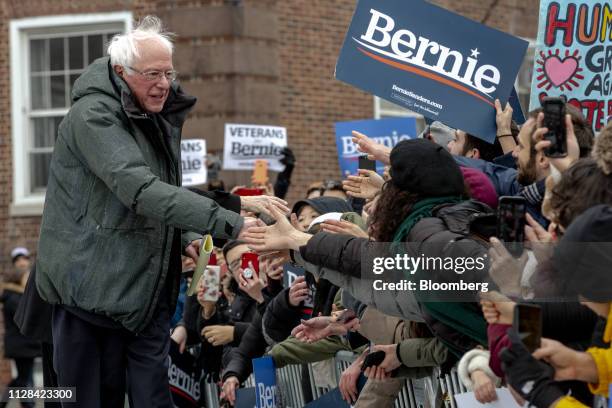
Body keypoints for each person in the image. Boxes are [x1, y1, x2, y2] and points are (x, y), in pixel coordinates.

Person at [34, 16, 287, 408]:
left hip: (146, 291)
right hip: (91, 294)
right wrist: (232, 218)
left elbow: (160, 196)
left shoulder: (156, 113)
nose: (164, 84)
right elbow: (139, 190)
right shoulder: (93, 116)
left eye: (169, 73)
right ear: (121, 72)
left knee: (155, 399)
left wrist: (185, 237)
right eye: (152, 73)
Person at [1, 248, 40, 408]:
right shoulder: (14, 298)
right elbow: (26, 319)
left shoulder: (16, 296)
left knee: (23, 378)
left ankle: (9, 402)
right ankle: (27, 404)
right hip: (21, 344)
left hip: (24, 344)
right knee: (25, 378)